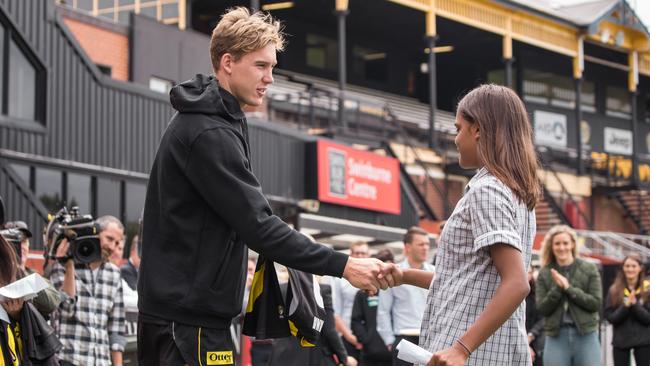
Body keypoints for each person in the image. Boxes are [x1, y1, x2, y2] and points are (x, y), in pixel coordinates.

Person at [137, 7, 394, 365]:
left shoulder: (222, 119)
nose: (270, 78)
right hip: (186, 324)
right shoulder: (209, 132)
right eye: (261, 66)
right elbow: (259, 225)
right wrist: (343, 264)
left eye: (272, 67)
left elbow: (255, 222)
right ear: (228, 62)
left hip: (191, 318)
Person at [389, 84, 540, 365]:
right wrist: (403, 275)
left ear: (479, 129)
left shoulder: (488, 190)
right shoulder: (517, 194)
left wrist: (461, 348)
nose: (456, 138)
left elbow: (518, 283)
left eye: (459, 128)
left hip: (474, 355)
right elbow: (464, 281)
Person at [50, 215, 127, 366]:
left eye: (117, 242)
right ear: (95, 234)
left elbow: (116, 329)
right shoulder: (61, 267)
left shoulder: (114, 274)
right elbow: (66, 309)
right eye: (109, 239)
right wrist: (69, 265)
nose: (112, 247)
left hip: (102, 362)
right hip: (70, 359)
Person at [536, 225, 601, 366]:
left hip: (586, 335)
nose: (561, 247)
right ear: (551, 247)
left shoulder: (589, 268)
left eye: (565, 243)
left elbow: (595, 303)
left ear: (572, 244)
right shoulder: (545, 273)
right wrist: (558, 288)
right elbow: (542, 308)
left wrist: (569, 288)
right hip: (556, 336)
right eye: (557, 243)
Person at [376, 227, 434, 366]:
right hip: (404, 339)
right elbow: (383, 310)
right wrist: (390, 341)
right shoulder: (394, 272)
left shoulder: (435, 272)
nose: (425, 248)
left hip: (430, 339)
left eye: (427, 244)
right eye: (421, 244)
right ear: (407, 247)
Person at [2, 220, 61, 318]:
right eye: (13, 243)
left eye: (24, 241)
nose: (21, 247)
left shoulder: (34, 275)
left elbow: (53, 302)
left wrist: (20, 273)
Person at [604, 254, 650, 366]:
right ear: (623, 268)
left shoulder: (647, 289)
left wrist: (635, 305)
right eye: (627, 266)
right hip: (621, 342)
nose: (630, 269)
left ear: (640, 268)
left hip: (643, 341)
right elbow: (611, 318)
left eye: (633, 266)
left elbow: (648, 319)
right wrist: (626, 305)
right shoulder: (614, 290)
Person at [351, 249, 394, 366]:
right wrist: (367, 340)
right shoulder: (364, 293)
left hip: (395, 354)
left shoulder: (399, 292)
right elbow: (355, 321)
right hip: (371, 355)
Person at [331, 241, 371, 361]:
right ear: (350, 255)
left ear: (369, 255)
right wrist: (350, 337)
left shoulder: (375, 278)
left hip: (371, 339)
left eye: (363, 253)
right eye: (356, 253)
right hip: (347, 336)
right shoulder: (339, 279)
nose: (360, 256)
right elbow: (335, 312)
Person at [526, 266, 544, 366]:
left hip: (535, 340)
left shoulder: (537, 294)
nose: (526, 275)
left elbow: (543, 319)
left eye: (529, 272)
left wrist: (530, 336)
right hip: (518, 339)